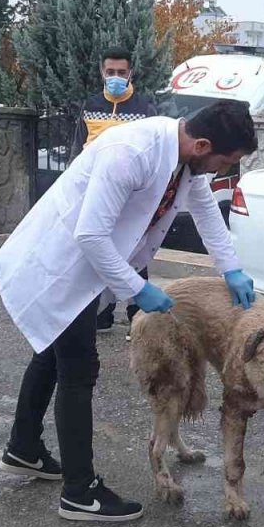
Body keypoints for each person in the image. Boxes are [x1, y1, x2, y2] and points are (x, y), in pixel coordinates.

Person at [0, 100, 258, 523]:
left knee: (49, 353)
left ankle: (22, 448)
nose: (222, 170)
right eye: (225, 161)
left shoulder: (187, 159)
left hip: (88, 268)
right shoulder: (132, 153)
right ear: (203, 144)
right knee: (78, 370)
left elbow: (206, 213)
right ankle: (80, 492)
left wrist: (232, 269)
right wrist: (139, 289)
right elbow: (91, 235)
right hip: (63, 264)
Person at [70, 47, 159, 335]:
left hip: (130, 197)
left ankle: (138, 317)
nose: (116, 77)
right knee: (95, 254)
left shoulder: (145, 109)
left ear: (130, 73)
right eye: (111, 72)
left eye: (122, 73)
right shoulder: (90, 105)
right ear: (102, 72)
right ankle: (102, 315)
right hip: (93, 193)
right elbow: (77, 150)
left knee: (133, 255)